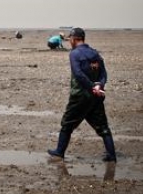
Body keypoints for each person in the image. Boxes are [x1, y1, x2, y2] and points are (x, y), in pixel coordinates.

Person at [48, 27, 116, 162]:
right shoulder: (95, 53)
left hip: (79, 96)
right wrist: (99, 86)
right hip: (95, 97)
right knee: (103, 127)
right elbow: (103, 74)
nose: (69, 42)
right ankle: (112, 156)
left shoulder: (74, 54)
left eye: (70, 39)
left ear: (74, 39)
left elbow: (78, 74)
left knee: (67, 124)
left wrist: (92, 87)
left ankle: (59, 152)